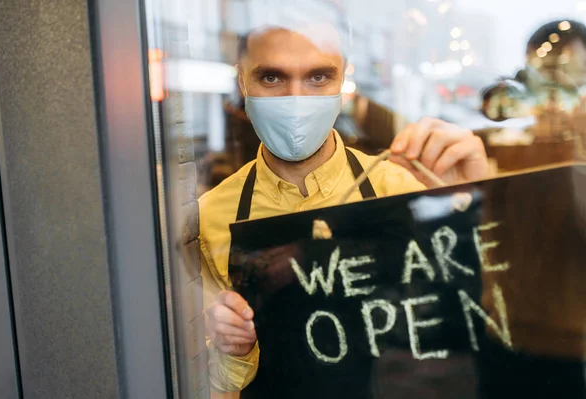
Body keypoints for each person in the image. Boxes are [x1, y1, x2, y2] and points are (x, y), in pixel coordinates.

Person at [199, 18, 488, 394]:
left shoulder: (405, 188)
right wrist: (231, 349)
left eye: (319, 77)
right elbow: (218, 383)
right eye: (272, 78)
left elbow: (476, 317)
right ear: (242, 82)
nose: (296, 99)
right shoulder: (211, 217)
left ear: (343, 84)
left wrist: (478, 203)